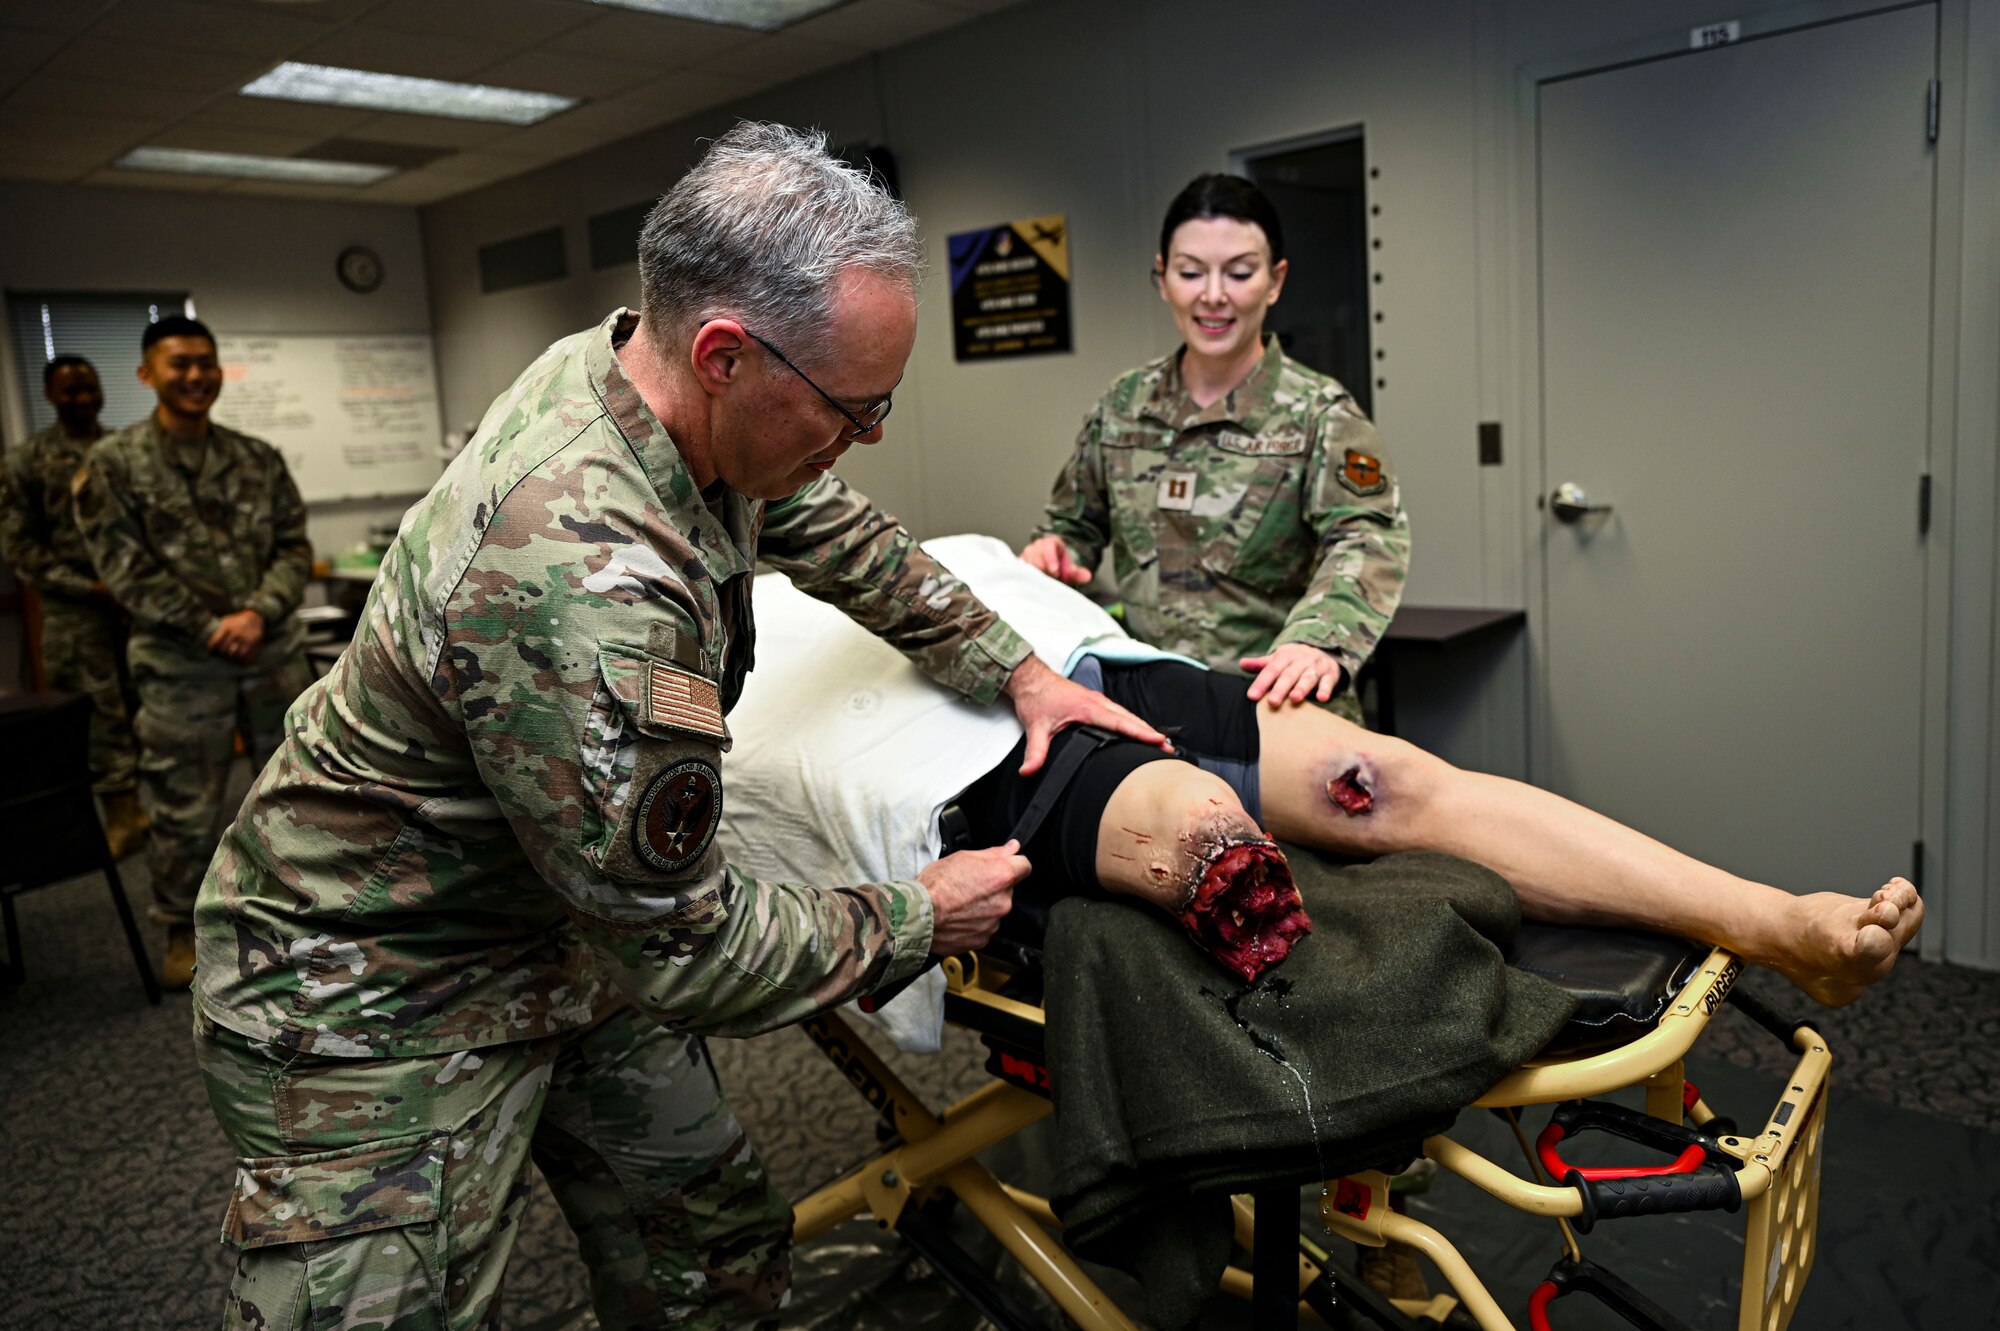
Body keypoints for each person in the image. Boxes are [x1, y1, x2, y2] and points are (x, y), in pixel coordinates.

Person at [188, 122, 1165, 1331]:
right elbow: (688, 948)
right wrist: (921, 908)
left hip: (558, 928)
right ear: (723, 354)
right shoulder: (580, 581)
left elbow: (833, 525)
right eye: (855, 410)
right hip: (374, 982)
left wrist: (1015, 669)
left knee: (710, 1249)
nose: (865, 438)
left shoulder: (645, 380)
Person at [727, 535, 1923, 1017]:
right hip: (952, 741)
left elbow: (1361, 543)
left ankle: (1779, 920)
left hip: (1079, 657)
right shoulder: (728, 623)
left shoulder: (824, 511)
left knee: (1383, 775)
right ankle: (1216, 853)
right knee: (1186, 830)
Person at [1022, 173, 1408, 721]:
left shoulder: (1321, 414)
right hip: (1152, 708)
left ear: (1275, 282)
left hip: (1278, 707)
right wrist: (1054, 553)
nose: (1213, 295)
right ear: (1162, 278)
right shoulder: (1124, 404)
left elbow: (1366, 540)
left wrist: (1318, 641)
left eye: (1240, 272)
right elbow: (1073, 525)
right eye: (1190, 272)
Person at [72, 318, 313, 989]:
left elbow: (293, 548)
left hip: (270, 655)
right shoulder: (113, 466)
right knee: (182, 808)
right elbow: (124, 570)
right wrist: (212, 626)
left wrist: (257, 612)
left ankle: (294, 917)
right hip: (181, 665)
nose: (196, 375)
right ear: (147, 374)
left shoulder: (258, 457)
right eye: (179, 364)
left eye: (206, 362)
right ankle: (182, 928)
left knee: (294, 792)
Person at [0, 355, 145, 856]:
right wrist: (92, 589)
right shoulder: (26, 462)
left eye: (89, 388)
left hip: (138, 607)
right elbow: (21, 549)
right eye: (70, 391)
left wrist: (138, 587)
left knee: (146, 708)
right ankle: (120, 817)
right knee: (99, 718)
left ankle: (155, 810)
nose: (82, 399)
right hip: (75, 615)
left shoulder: (123, 451)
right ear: (49, 396)